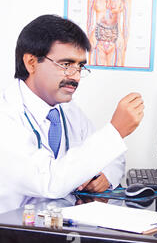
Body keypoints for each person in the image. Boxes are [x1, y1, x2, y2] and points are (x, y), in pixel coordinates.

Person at [0, 14, 144, 214]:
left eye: (80, 66)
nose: (75, 76)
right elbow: (49, 181)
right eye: (66, 64)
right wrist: (116, 130)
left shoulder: (67, 109)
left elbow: (113, 157)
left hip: (60, 227)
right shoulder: (6, 117)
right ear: (31, 63)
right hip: (13, 236)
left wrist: (105, 177)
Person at [87, 0, 131, 67]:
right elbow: (89, 21)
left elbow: (126, 23)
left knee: (117, 75)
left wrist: (125, 42)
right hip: (97, 38)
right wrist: (88, 40)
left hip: (116, 38)